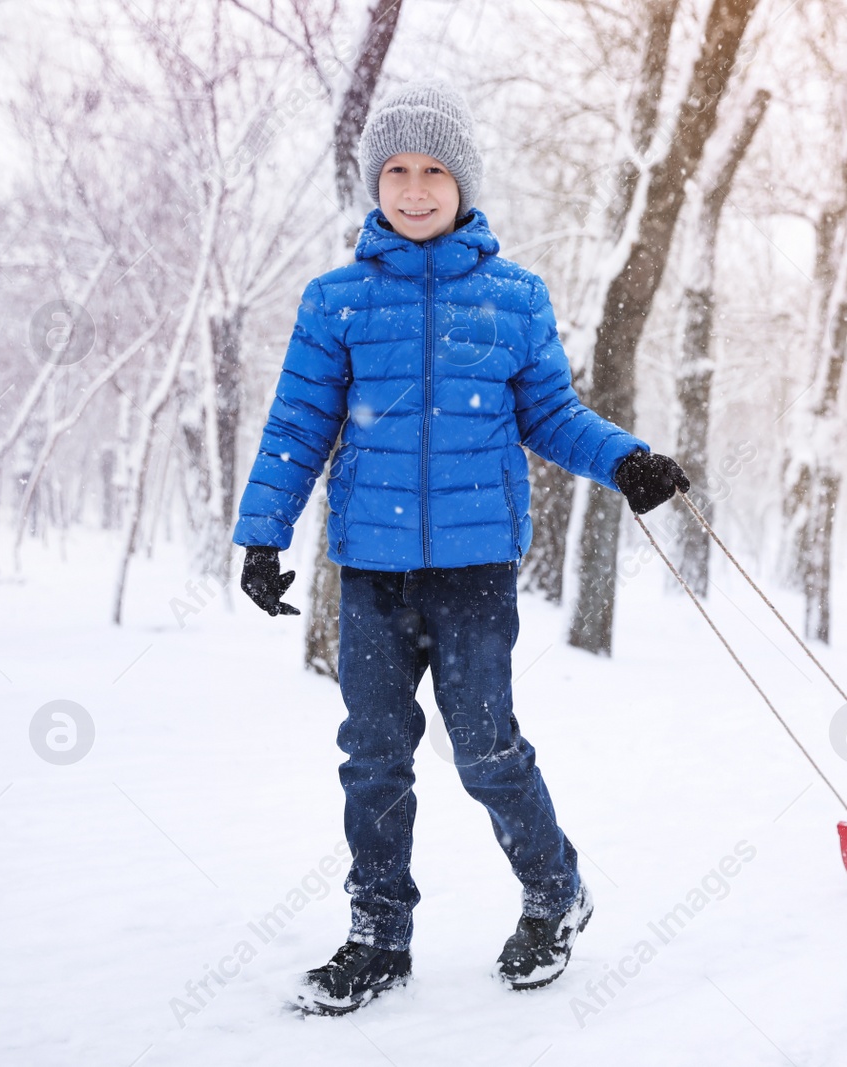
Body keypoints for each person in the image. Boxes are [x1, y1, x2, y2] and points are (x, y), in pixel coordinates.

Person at [231, 80, 689, 1016]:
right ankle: (378, 933)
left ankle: (555, 890)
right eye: (396, 169)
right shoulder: (338, 301)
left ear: (463, 182)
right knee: (373, 751)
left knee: (484, 747)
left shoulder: (515, 299)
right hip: (371, 567)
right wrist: (262, 536)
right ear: (375, 183)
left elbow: (551, 416)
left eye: (433, 169)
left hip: (476, 568)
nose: (412, 187)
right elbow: (297, 426)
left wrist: (626, 460)